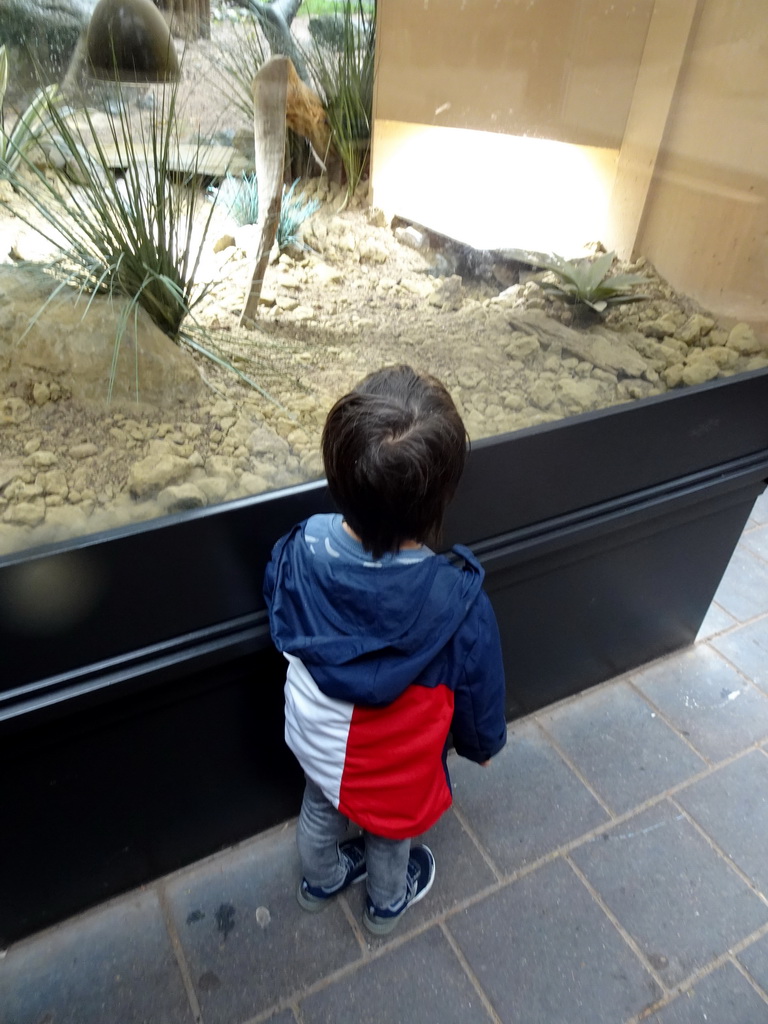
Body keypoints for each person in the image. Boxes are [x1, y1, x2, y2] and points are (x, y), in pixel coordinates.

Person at [263, 364, 507, 936]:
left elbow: (276, 598)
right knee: (391, 834)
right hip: (396, 767)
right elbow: (479, 688)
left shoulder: (303, 546)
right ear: (441, 497)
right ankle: (385, 904)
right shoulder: (458, 601)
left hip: (317, 739)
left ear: (339, 476)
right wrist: (482, 744)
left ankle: (319, 882)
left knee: (320, 805)